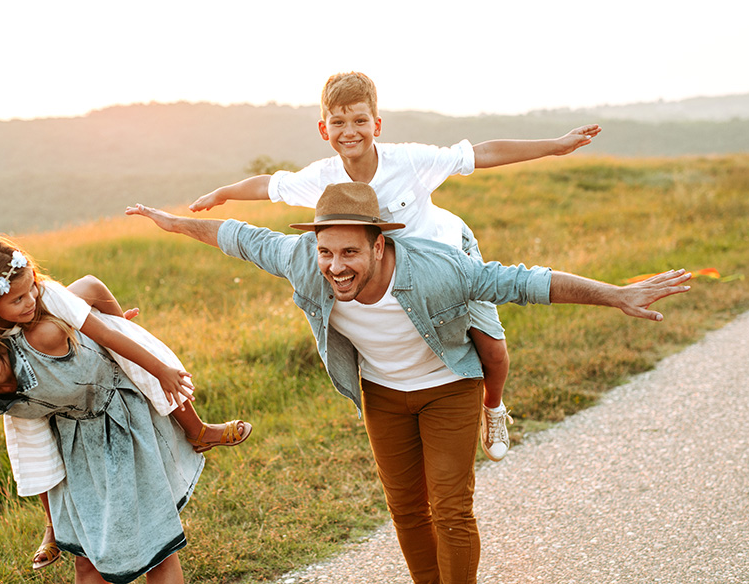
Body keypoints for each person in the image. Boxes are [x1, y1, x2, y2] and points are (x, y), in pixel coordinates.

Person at [126, 182, 691, 584]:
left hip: (449, 386)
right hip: (382, 395)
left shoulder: (438, 269)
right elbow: (235, 234)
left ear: (379, 244)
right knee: (405, 507)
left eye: (349, 252)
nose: (335, 266)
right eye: (326, 252)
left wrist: (615, 294)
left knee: (449, 505)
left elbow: (524, 281)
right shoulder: (302, 258)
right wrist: (174, 223)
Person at [190, 71, 600, 462]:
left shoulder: (409, 161)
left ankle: (493, 408)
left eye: (359, 120)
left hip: (448, 259)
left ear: (377, 124)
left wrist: (555, 145)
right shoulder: (323, 177)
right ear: (324, 129)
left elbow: (482, 152)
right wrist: (222, 193)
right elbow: (267, 185)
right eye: (338, 122)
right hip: (387, 277)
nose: (349, 131)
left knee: (491, 348)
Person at [0, 235, 251, 571]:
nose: (30, 299)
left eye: (30, 287)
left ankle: (197, 429)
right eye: (18, 299)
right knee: (33, 450)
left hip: (84, 370)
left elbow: (101, 317)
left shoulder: (48, 296)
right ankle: (52, 529)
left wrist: (121, 325)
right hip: (32, 397)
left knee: (138, 357)